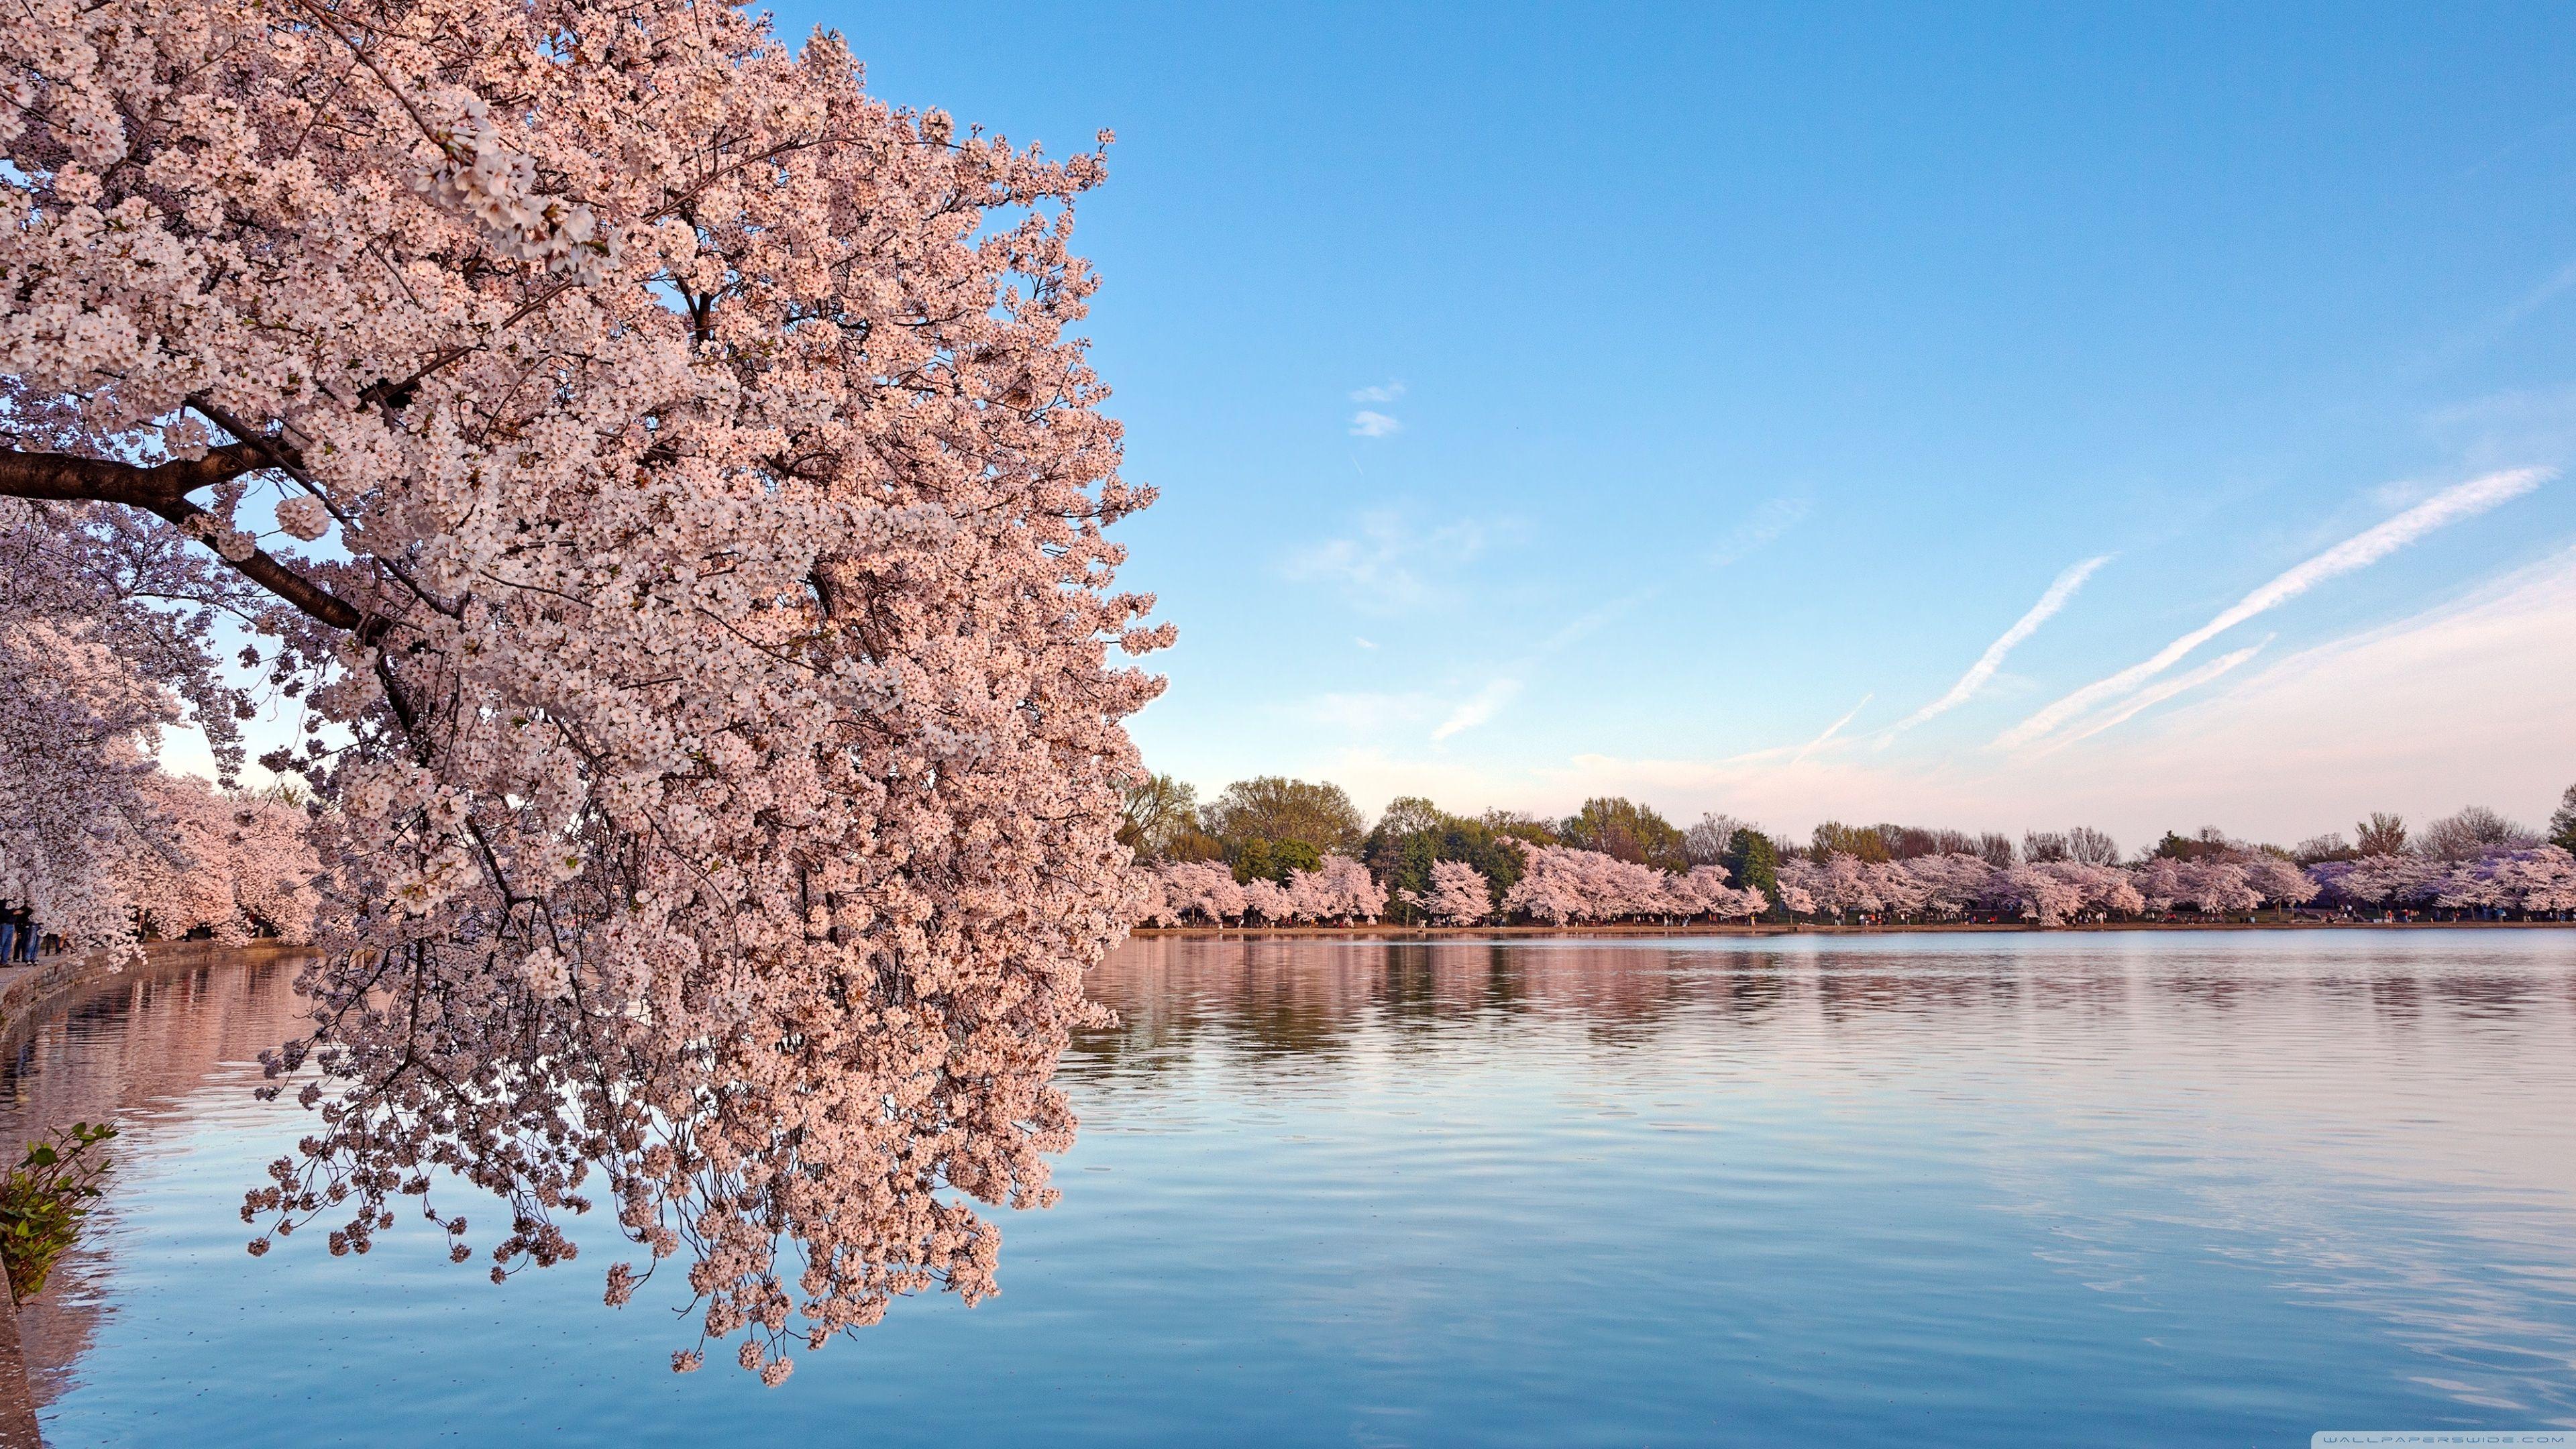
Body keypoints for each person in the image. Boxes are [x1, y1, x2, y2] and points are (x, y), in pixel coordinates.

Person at [0, 900, 15, 964]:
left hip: (11, 924)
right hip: (4, 924)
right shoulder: (3, 901)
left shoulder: (14, 901)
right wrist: (13, 913)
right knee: (1, 943)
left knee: (8, 944)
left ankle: (4, 961)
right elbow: (2, 913)